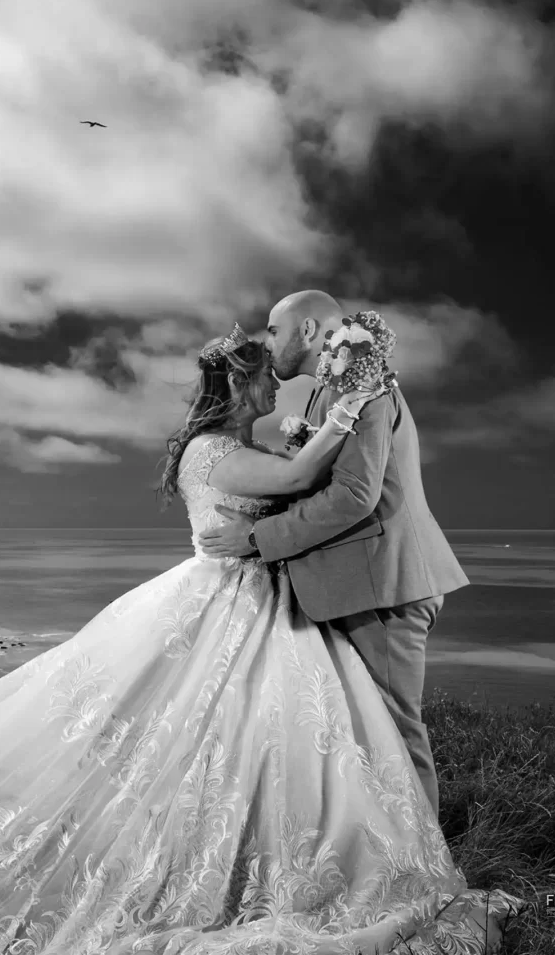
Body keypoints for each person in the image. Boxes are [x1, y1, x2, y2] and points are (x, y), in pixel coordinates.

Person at [0, 326, 521, 954]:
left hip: (262, 596)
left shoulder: (236, 445)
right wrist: (346, 413)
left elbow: (294, 482)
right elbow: (298, 478)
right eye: (266, 379)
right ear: (239, 384)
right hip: (229, 595)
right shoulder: (211, 451)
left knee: (265, 735)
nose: (276, 389)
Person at [199, 291, 470, 819]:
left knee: (393, 733)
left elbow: (353, 496)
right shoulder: (327, 390)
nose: (266, 341)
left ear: (307, 330)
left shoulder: (362, 385)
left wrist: (256, 537)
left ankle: (427, 859)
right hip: (356, 583)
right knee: (362, 733)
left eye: (273, 330)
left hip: (383, 584)